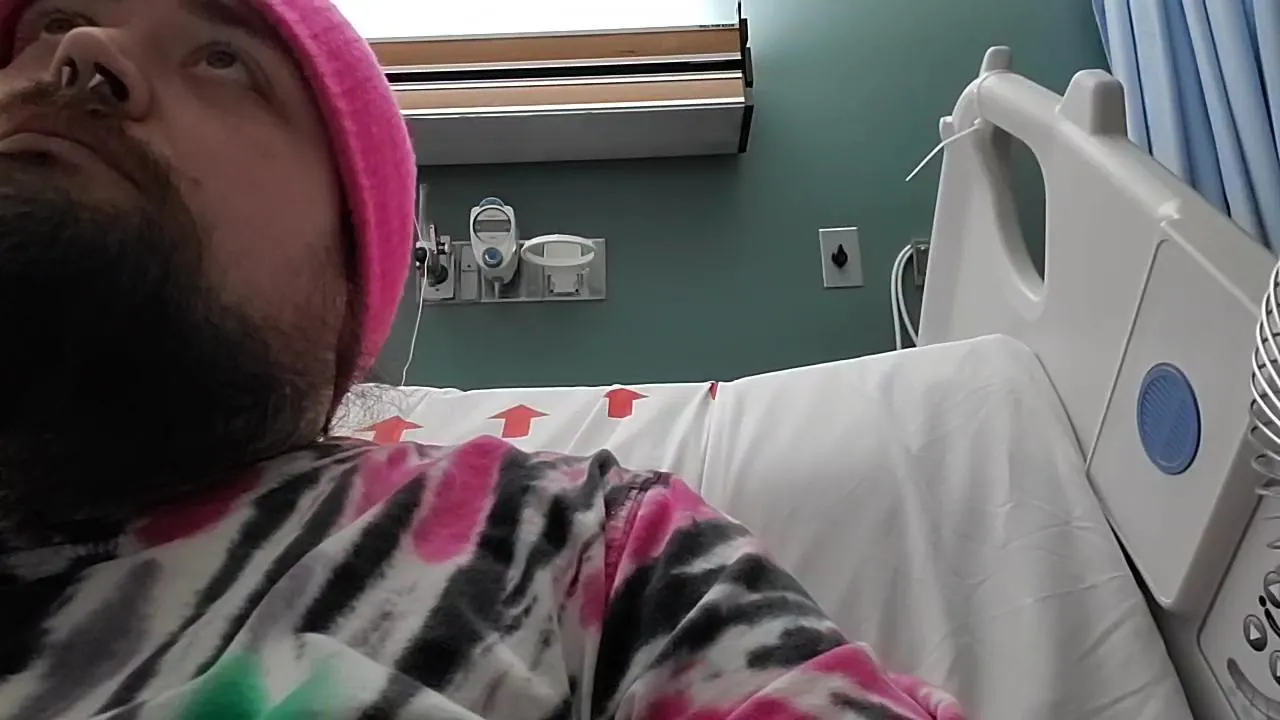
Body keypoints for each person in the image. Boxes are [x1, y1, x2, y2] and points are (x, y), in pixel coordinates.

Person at [0, 0, 965, 717]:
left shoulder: (574, 551)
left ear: (350, 281)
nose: (86, 50)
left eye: (223, 59)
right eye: (50, 22)